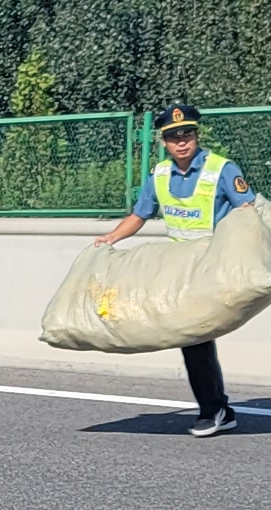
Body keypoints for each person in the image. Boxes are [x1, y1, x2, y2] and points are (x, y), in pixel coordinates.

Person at [93, 108, 259, 435]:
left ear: (196, 136)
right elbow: (140, 215)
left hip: (215, 265)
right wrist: (110, 238)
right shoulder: (159, 174)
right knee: (191, 336)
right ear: (164, 142)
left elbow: (248, 211)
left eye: (187, 135)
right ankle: (219, 408)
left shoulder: (221, 169)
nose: (181, 142)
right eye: (173, 137)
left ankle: (214, 410)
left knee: (195, 336)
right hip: (180, 270)